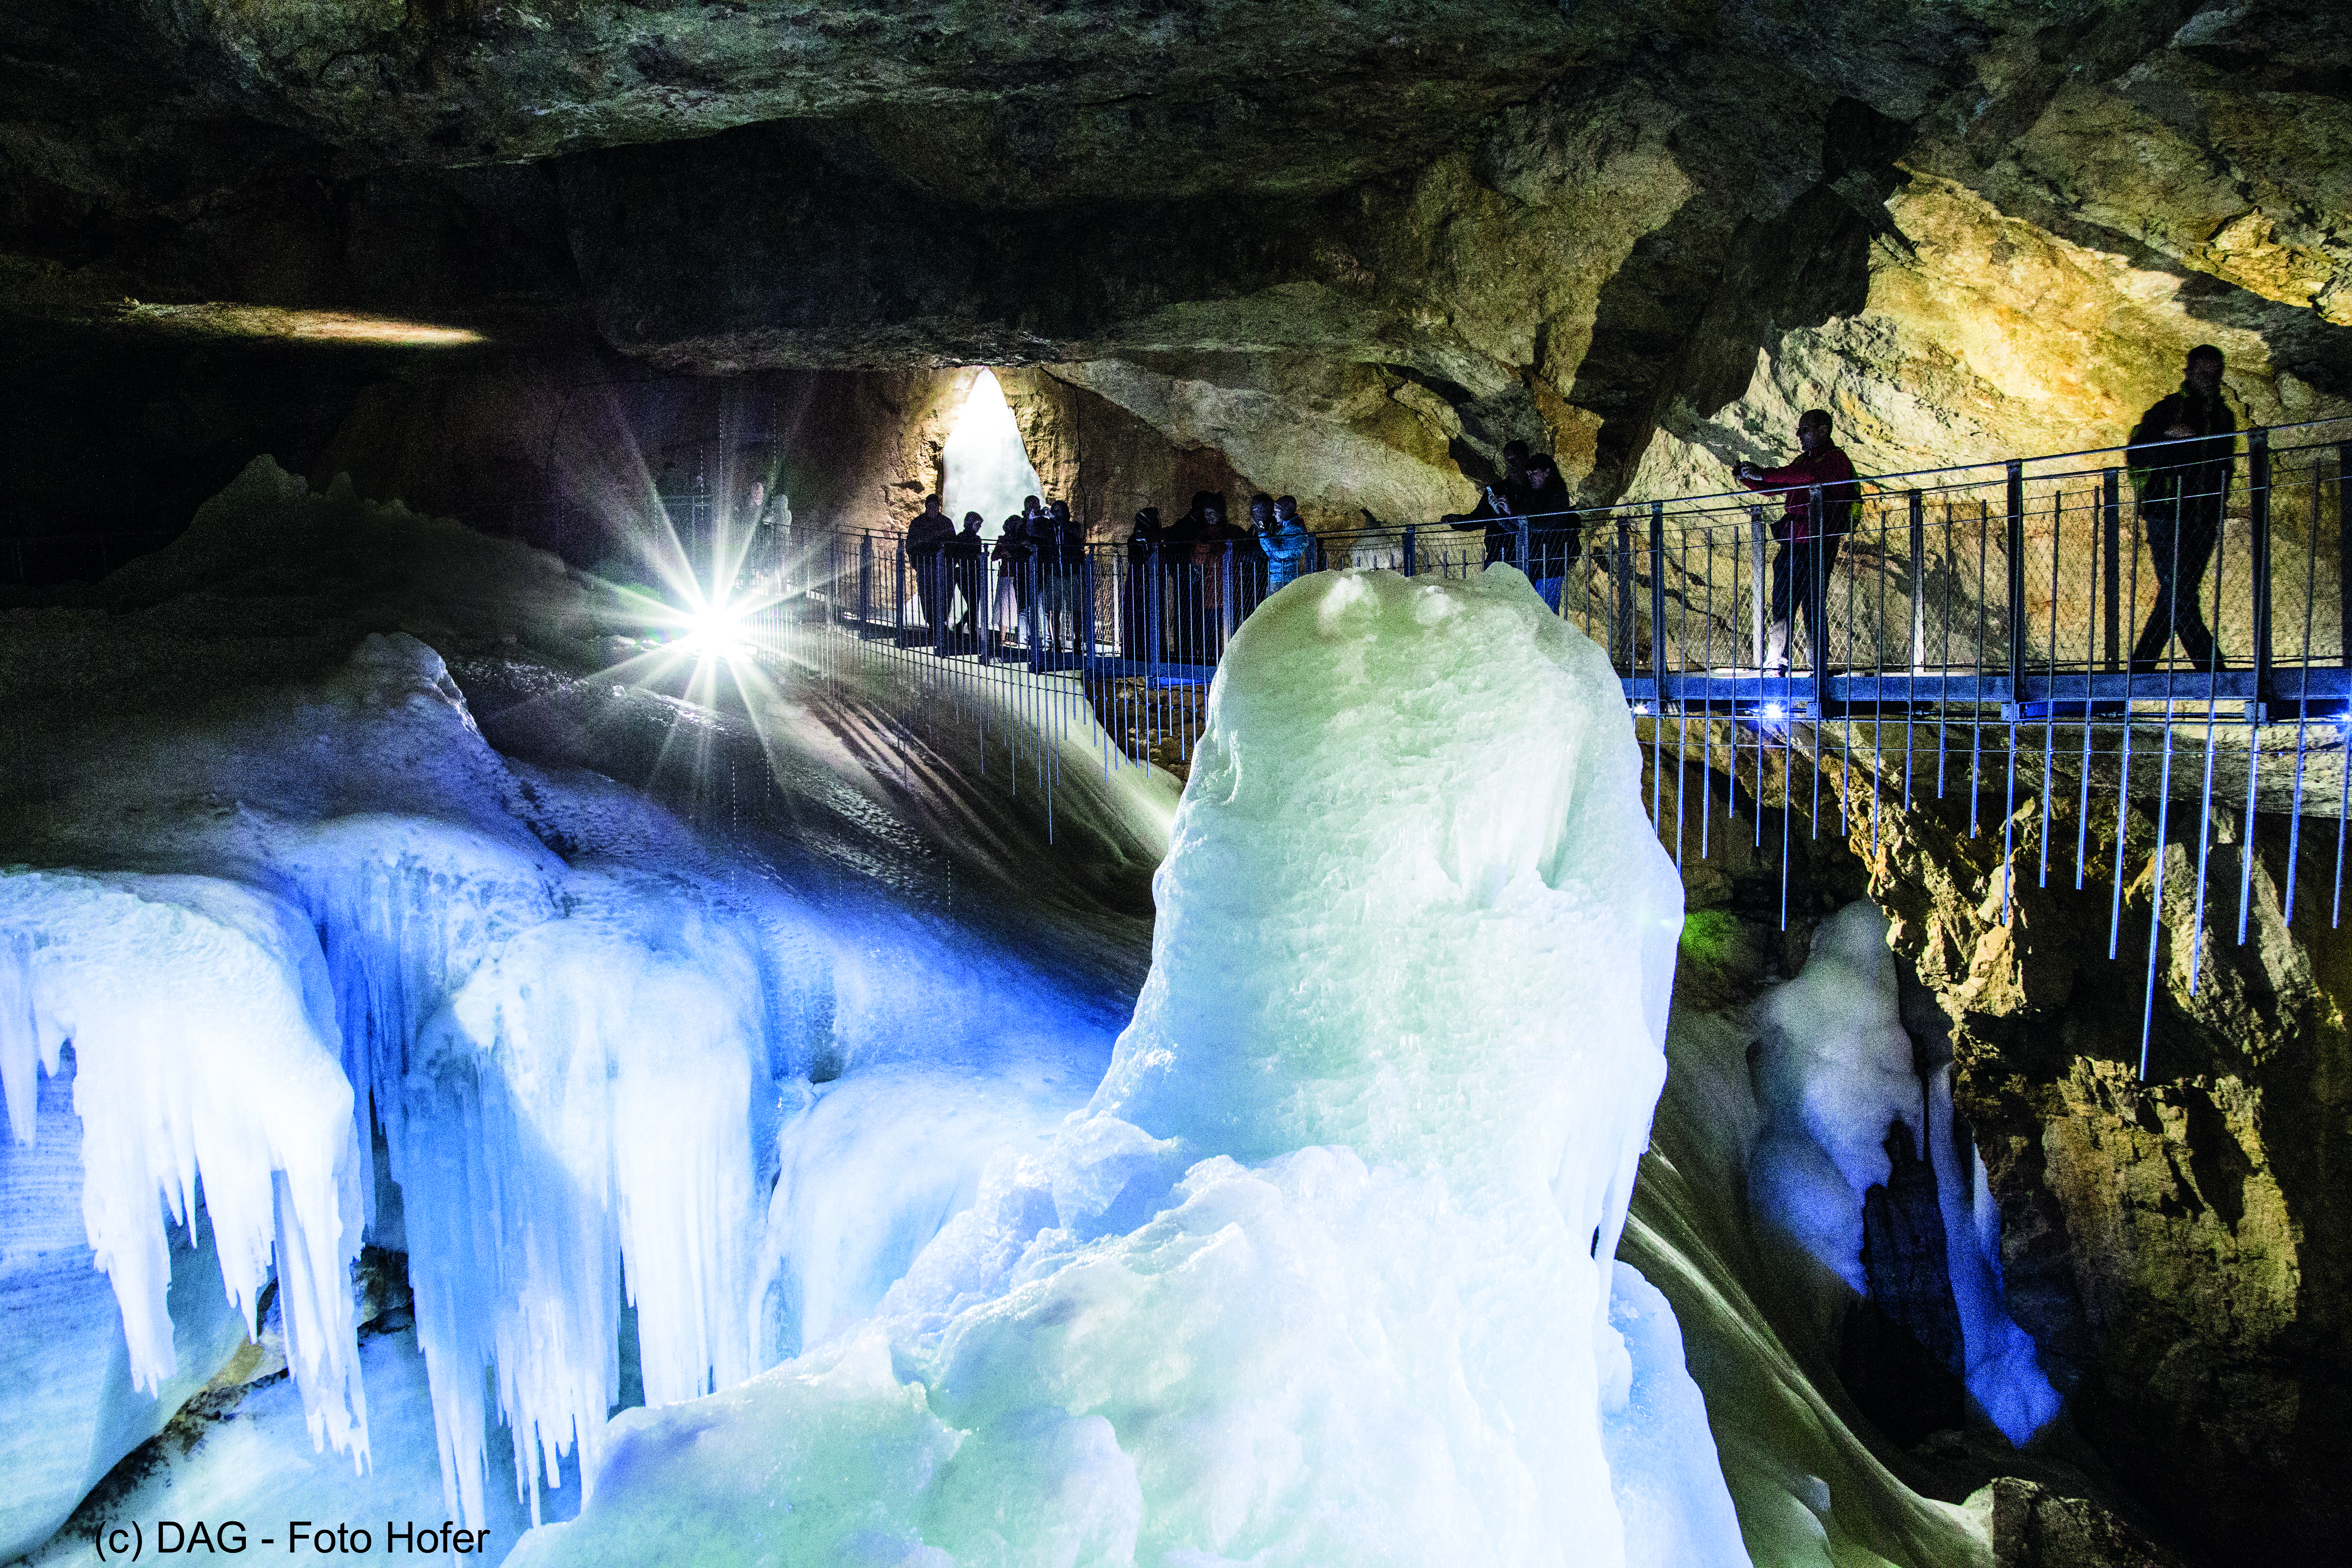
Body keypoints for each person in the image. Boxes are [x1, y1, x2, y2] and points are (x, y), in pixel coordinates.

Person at [2127, 345, 2237, 673]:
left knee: (2175, 596)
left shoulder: (2223, 417)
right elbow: (2136, 454)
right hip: (2167, 514)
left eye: (2215, 374)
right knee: (2182, 596)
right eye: (2203, 373)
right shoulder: (2167, 410)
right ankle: (2213, 671)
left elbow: (2225, 467)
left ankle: (2141, 669)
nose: (2210, 380)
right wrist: (2166, 437)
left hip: (2203, 517)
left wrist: (2217, 508)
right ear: (2188, 373)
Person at [1733, 410, 1860, 674]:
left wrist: (1764, 474)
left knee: (1811, 603)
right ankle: (1778, 660)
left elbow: (1806, 478)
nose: (1799, 435)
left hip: (1817, 541)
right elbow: (1781, 486)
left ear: (1824, 429)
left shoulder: (1836, 460)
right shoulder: (1807, 460)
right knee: (1783, 601)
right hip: (1794, 540)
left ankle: (1816, 666)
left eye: (1805, 429)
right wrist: (1748, 478)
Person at [904, 494, 955, 644]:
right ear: (927, 506)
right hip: (926, 565)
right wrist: (917, 563)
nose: (933, 509)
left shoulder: (943, 523)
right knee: (928, 596)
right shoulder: (920, 523)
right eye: (931, 506)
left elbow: (952, 543)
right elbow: (911, 545)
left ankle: (940, 622)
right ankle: (934, 623)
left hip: (940, 566)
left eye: (935, 507)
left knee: (943, 595)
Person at [990, 511, 1034, 657]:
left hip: (1017, 574)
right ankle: (1003, 638)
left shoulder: (1020, 540)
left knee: (1015, 605)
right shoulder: (1003, 540)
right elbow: (994, 556)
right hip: (1006, 575)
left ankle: (1014, 637)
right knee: (1004, 606)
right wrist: (1004, 552)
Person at [1124, 507, 1165, 659]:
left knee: (1143, 615)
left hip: (1140, 581)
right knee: (1146, 615)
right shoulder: (1141, 539)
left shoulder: (1138, 538)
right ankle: (1147, 650)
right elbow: (1140, 558)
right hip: (1144, 581)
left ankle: (1138, 649)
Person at [946, 512, 988, 652]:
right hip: (969, 573)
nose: (979, 527)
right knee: (974, 604)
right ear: (972, 523)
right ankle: (971, 631)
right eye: (978, 524)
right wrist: (977, 556)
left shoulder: (965, 538)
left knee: (973, 604)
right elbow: (961, 554)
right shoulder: (972, 539)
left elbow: (958, 555)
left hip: (967, 573)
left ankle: (964, 628)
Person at [1259, 495, 1316, 595]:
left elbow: (1280, 553)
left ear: (1287, 511)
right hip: (1276, 576)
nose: (1273, 514)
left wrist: (1265, 535)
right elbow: (1270, 553)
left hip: (1286, 577)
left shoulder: (1296, 530)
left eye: (1277, 511)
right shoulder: (1284, 527)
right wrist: (1262, 534)